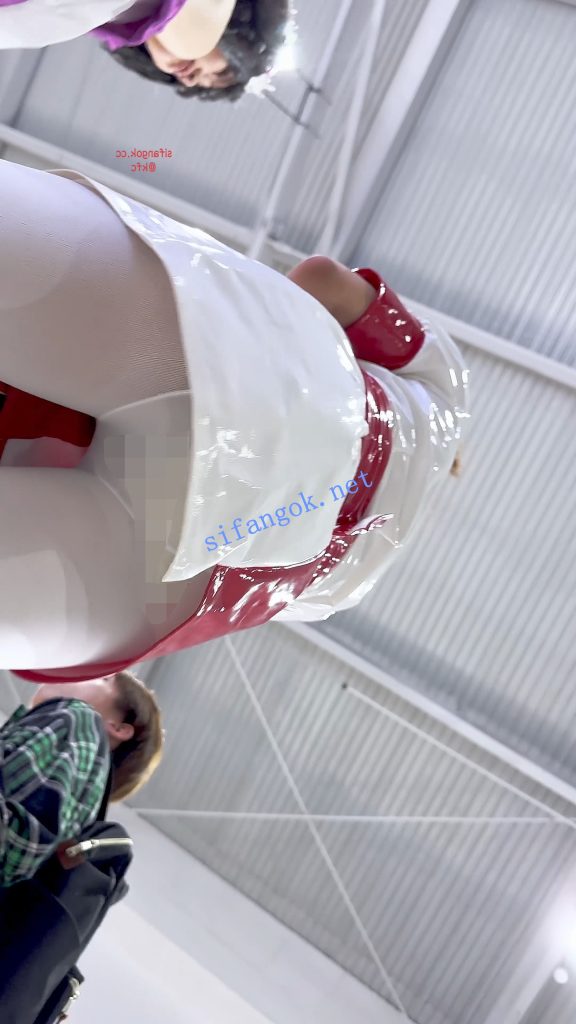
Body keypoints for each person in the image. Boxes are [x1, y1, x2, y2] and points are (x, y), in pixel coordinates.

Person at [0, 158, 469, 685]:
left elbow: (324, 279)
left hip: (265, 387)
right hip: (207, 581)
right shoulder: (347, 591)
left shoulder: (447, 395)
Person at [0, 672, 163, 885]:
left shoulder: (80, 721)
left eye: (103, 677)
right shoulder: (85, 788)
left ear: (118, 728)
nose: (78, 672)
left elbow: (14, 849)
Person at [0, 0, 290, 104]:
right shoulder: (192, 38)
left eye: (198, 86)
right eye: (221, 73)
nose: (191, 79)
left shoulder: (104, 20)